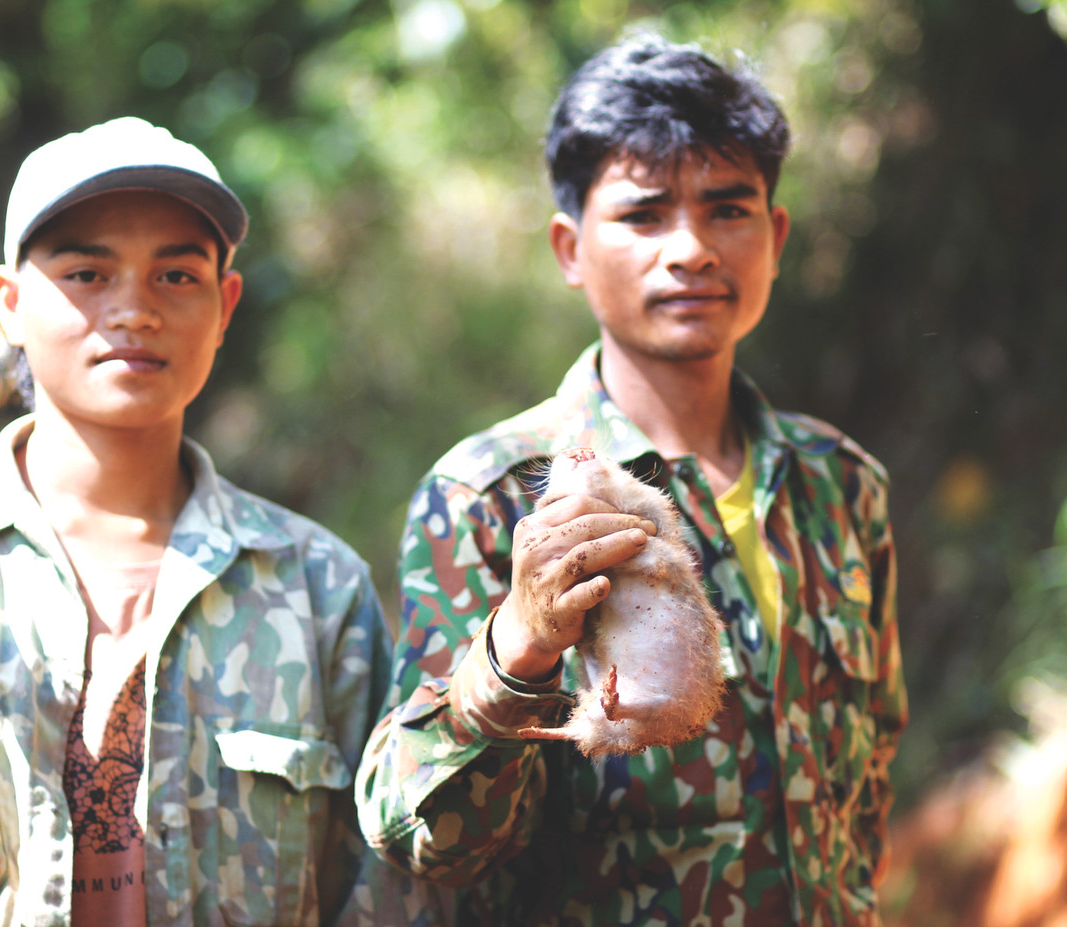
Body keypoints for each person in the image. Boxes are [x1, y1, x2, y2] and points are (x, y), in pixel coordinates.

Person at [0, 116, 443, 927]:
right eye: (86, 273)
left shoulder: (318, 588)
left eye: (176, 276)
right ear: (9, 302)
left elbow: (380, 889)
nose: (134, 310)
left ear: (226, 305)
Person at [357, 34, 907, 926]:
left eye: (728, 210)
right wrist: (520, 644)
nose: (690, 249)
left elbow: (870, 766)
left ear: (775, 237)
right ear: (571, 248)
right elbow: (417, 835)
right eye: (645, 215)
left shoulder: (839, 485)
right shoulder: (496, 497)